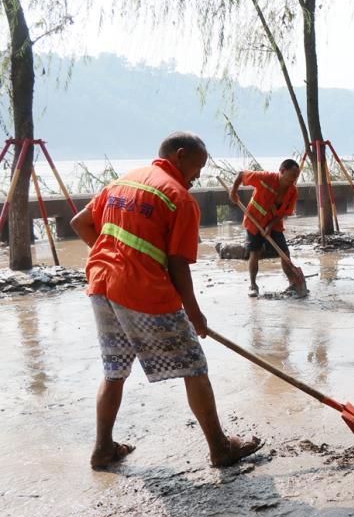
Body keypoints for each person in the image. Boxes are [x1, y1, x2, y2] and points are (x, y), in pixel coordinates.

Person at [70, 132, 263, 469]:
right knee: (194, 365)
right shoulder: (179, 199)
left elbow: (80, 222)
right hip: (143, 292)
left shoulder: (123, 181)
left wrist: (117, 260)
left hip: (102, 286)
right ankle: (220, 448)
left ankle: (102, 449)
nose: (198, 176)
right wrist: (194, 314)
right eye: (196, 167)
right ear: (179, 155)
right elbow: (177, 264)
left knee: (114, 369)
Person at [228, 159, 301, 297]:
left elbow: (285, 213)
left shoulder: (293, 191)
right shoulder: (265, 178)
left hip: (274, 223)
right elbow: (241, 174)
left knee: (284, 253)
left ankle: (292, 283)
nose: (294, 179)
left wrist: (270, 225)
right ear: (282, 171)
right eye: (292, 175)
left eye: (296, 176)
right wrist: (233, 191)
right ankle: (253, 285)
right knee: (255, 252)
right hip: (254, 220)